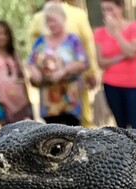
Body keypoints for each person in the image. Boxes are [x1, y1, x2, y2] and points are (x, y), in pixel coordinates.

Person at [27, 0, 97, 128]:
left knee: (72, 133)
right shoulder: (40, 41)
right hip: (49, 101)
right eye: (48, 21)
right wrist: (35, 72)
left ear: (63, 19)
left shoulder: (73, 40)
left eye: (54, 20)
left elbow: (84, 62)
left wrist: (64, 70)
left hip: (70, 99)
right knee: (52, 135)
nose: (51, 24)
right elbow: (31, 61)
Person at [94, 0, 136, 129]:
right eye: (104, 10)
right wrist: (120, 57)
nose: (107, 13)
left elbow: (132, 52)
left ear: (120, 8)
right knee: (120, 126)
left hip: (132, 84)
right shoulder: (100, 32)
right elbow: (100, 62)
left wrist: (116, 33)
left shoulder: (134, 27)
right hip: (111, 84)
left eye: (110, 9)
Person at [0, 20, 33, 126]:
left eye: (5, 34)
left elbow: (22, 80)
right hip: (4, 107)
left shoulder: (13, 55)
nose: (2, 37)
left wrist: (29, 105)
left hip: (21, 105)